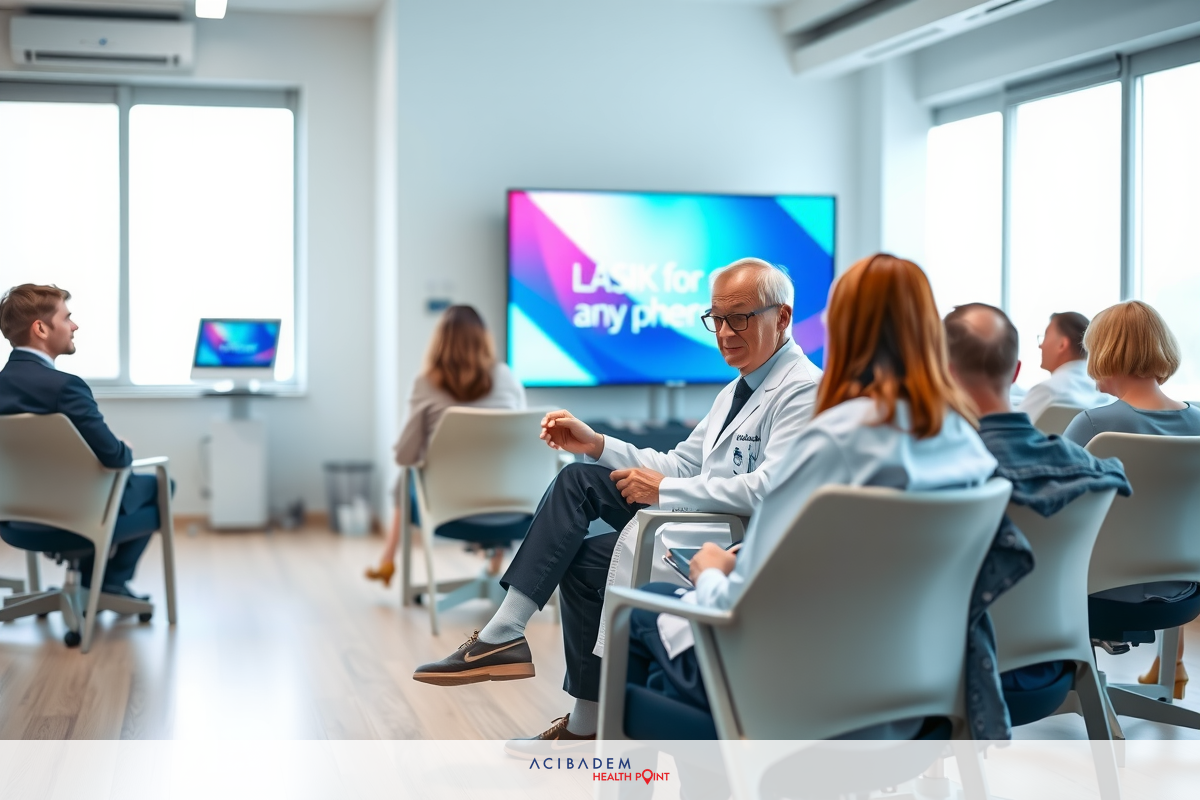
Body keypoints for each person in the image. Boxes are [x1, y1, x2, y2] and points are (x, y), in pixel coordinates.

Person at [413, 257, 823, 748]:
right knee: (578, 481)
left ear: (782, 317)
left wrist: (664, 491)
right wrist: (596, 444)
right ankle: (506, 634)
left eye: (740, 317)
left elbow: (770, 489)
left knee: (586, 561)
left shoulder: (802, 389)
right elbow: (682, 464)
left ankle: (579, 718)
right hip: (694, 516)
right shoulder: (737, 388)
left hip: (726, 542)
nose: (725, 333)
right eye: (716, 318)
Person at [623, 254, 1000, 740]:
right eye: (718, 319)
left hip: (801, 681)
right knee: (669, 676)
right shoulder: (965, 443)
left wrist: (713, 571)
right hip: (920, 679)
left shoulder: (836, 438)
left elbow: (737, 604)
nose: (724, 330)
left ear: (840, 330)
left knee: (643, 609)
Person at [943, 303, 1131, 700]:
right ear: (1014, 374)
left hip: (963, 669)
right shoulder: (1093, 469)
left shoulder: (940, 473)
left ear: (941, 374)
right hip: (1057, 655)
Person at [1062, 300, 1200, 698]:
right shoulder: (1197, 424)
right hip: (1184, 592)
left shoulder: (1094, 425)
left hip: (1099, 592)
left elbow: (1048, 504)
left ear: (1105, 353)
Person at [0, 284, 167, 598]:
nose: (74, 326)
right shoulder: (66, 387)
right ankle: (107, 583)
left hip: (14, 523)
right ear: (41, 328)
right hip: (76, 520)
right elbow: (114, 459)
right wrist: (125, 447)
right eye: (67, 318)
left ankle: (94, 581)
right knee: (161, 487)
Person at [365, 305, 525, 586]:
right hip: (513, 509)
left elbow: (405, 455)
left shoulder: (426, 383)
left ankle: (388, 559)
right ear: (483, 339)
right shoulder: (506, 376)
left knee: (406, 477)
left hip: (448, 510)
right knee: (493, 464)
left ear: (440, 341)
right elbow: (522, 445)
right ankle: (496, 558)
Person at [1016, 311, 1113, 423]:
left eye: (1045, 336)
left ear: (1062, 345)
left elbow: (1011, 431)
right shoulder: (1106, 396)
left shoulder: (1047, 391)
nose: (1040, 345)